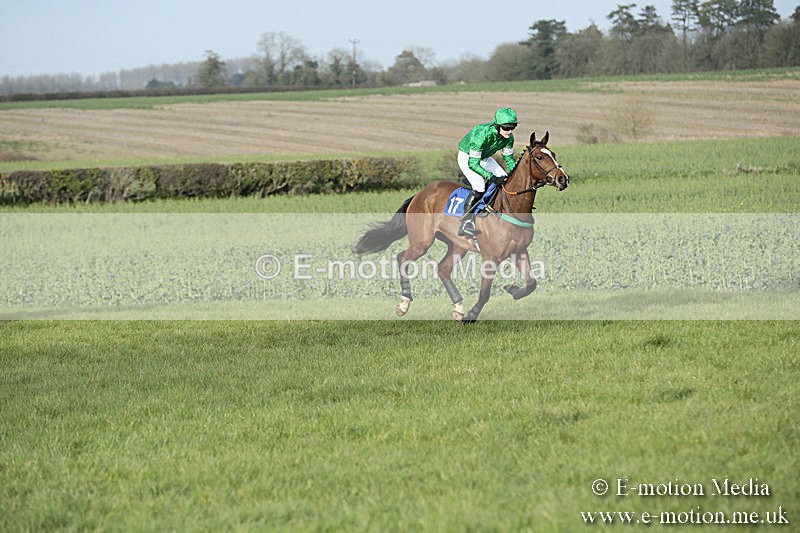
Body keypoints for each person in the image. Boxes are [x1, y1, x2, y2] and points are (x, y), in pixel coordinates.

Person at [456, 107, 518, 236]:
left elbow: (509, 159)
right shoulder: (482, 134)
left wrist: (514, 176)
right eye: (506, 128)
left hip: (484, 158)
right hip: (468, 157)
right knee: (479, 185)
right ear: (497, 125)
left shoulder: (509, 138)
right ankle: (466, 222)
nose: (509, 131)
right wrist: (489, 176)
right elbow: (473, 164)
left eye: (513, 127)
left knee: (504, 178)